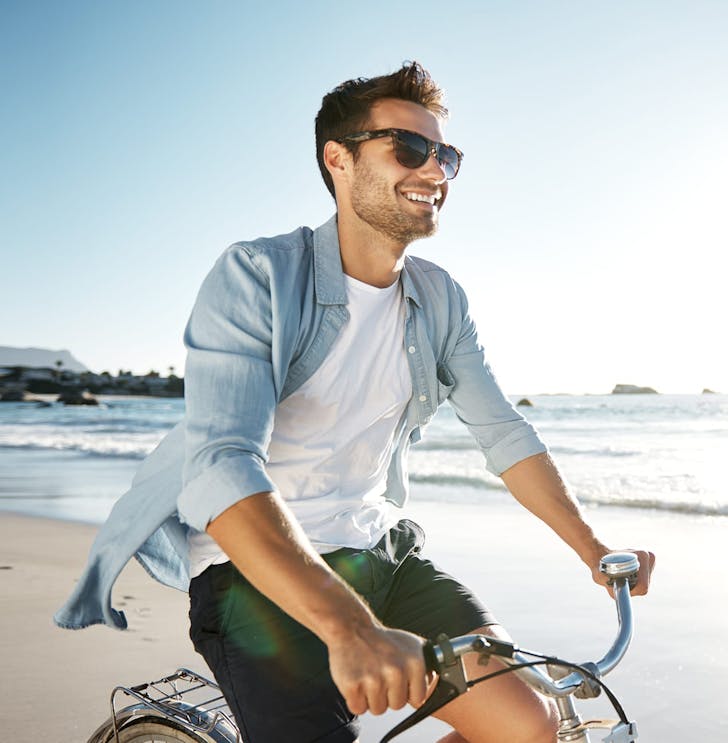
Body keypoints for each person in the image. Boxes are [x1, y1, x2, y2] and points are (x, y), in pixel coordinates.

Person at [55, 61, 654, 743]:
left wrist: (596, 549)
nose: (434, 171)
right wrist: (350, 626)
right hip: (254, 576)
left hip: (379, 552)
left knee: (529, 725)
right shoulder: (258, 276)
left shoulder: (439, 298)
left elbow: (505, 435)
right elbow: (224, 466)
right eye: (409, 148)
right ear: (337, 159)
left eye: (446, 155)